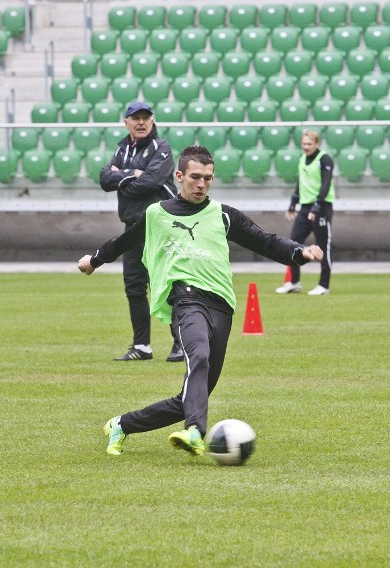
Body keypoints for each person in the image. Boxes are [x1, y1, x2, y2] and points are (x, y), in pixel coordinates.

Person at [79, 145, 323, 457]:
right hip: (185, 301)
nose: (201, 184)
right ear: (179, 176)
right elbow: (123, 242)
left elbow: (266, 241)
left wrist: (299, 252)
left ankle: (121, 425)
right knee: (199, 357)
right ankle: (196, 432)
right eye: (195, 177)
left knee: (192, 396)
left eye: (207, 178)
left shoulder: (223, 215)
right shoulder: (157, 214)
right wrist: (95, 260)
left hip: (222, 306)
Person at [99, 101, 183, 363]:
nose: (141, 122)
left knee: (168, 286)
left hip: (160, 226)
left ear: (152, 120)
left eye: (145, 117)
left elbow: (150, 182)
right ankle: (142, 346)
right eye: (135, 118)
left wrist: (122, 179)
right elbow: (104, 179)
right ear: (126, 123)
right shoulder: (122, 149)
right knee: (134, 287)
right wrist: (132, 174)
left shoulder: (162, 148)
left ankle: (180, 344)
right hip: (133, 227)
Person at [275, 130, 335, 296]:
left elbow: (326, 183)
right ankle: (294, 282)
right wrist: (293, 203)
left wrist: (317, 205)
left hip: (321, 207)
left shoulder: (324, 159)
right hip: (305, 208)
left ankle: (324, 285)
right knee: (294, 243)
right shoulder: (302, 159)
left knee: (323, 247)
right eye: (304, 144)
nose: (306, 147)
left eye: (309, 144)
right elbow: (300, 184)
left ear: (316, 144)